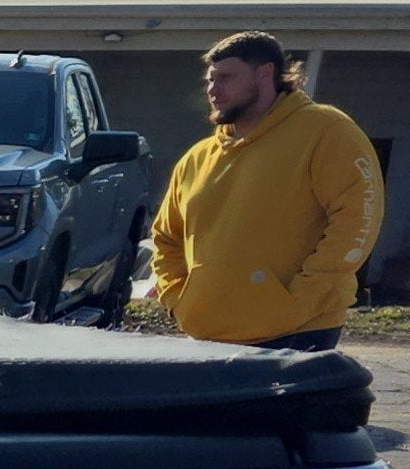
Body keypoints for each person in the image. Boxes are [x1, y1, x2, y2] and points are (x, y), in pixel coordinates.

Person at [147, 31, 384, 348]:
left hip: (296, 333)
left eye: (226, 78)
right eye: (210, 80)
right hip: (206, 333)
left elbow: (357, 219)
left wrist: (301, 299)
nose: (213, 90)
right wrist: (180, 299)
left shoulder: (326, 131)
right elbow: (166, 239)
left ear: (265, 73)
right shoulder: (197, 158)